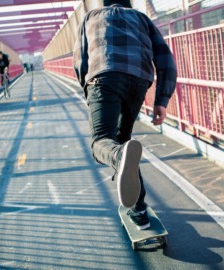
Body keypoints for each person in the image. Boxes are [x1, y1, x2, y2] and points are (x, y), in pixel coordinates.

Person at [73, 0, 177, 230]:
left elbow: (80, 61)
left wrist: (88, 90)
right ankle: (138, 209)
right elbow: (165, 58)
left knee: (102, 141)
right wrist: (162, 100)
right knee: (124, 140)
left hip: (104, 77)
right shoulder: (142, 18)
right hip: (138, 80)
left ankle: (119, 160)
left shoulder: (90, 17)